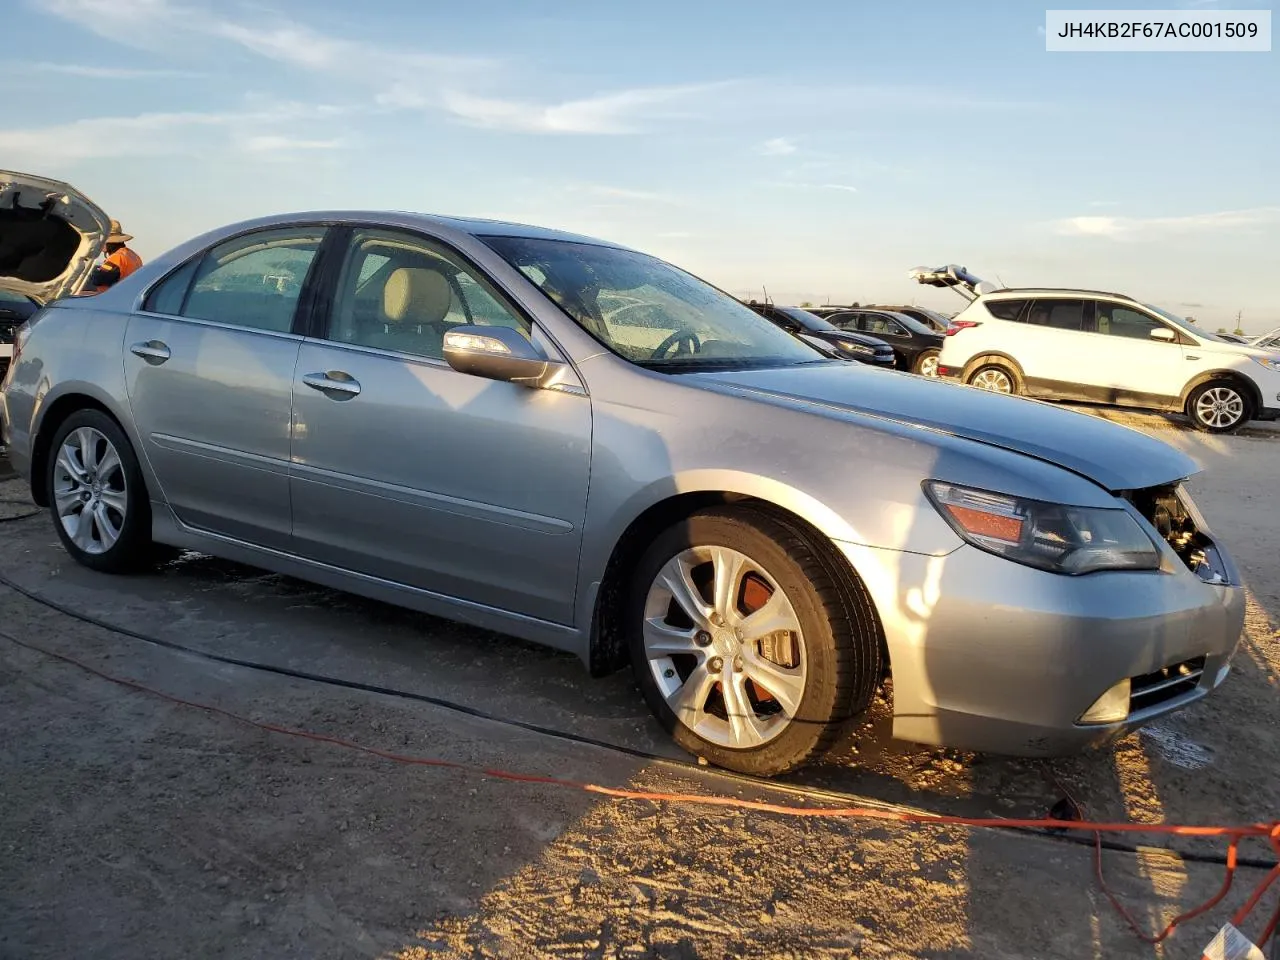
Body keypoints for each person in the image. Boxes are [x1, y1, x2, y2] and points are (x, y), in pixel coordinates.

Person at [88, 220, 142, 292]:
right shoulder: (133, 255)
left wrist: (90, 273)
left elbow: (99, 278)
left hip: (113, 300)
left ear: (113, 242)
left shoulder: (117, 258)